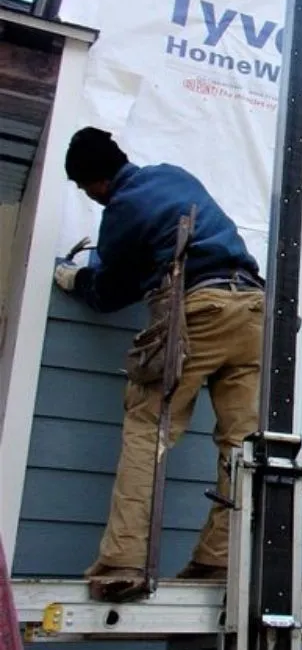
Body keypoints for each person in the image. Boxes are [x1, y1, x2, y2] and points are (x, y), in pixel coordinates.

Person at [53, 126, 265, 595]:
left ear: (97, 182)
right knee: (241, 444)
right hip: (254, 310)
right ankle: (218, 559)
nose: (90, 197)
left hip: (201, 307)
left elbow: (109, 292)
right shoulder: (172, 175)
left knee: (148, 427)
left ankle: (123, 563)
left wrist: (74, 279)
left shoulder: (123, 207)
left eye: (86, 189)